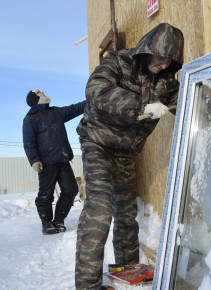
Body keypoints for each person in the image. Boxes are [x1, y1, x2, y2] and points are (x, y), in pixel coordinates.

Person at [75, 23, 184, 289]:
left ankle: (127, 277)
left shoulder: (169, 82)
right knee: (99, 211)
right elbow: (95, 90)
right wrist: (141, 106)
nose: (163, 64)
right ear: (147, 50)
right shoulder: (118, 61)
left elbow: (190, 100)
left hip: (125, 152)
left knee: (126, 217)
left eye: (170, 60)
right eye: (160, 57)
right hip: (97, 142)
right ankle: (88, 286)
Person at [22, 90, 86, 235]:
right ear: (34, 98)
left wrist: (91, 100)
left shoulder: (55, 112)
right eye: (39, 92)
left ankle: (58, 220)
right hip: (45, 162)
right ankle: (46, 223)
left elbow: (74, 109)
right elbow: (28, 142)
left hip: (63, 160)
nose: (43, 92)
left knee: (71, 190)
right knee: (46, 194)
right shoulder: (30, 119)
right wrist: (34, 160)